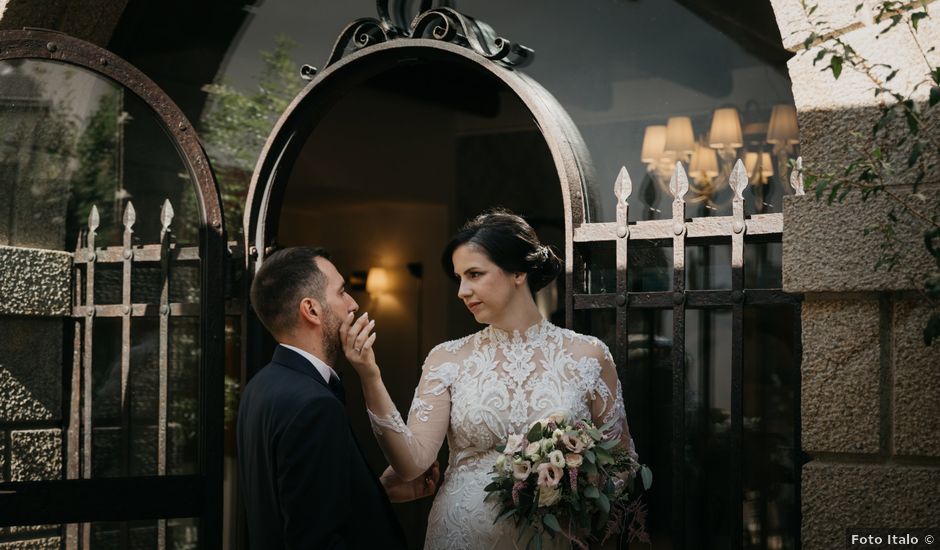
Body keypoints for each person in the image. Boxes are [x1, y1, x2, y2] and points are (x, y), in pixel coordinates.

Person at [342, 209, 638, 549]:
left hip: (549, 539)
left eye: (474, 274)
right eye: (459, 278)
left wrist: (574, 487)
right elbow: (411, 464)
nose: (462, 291)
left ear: (517, 272)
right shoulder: (446, 360)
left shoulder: (589, 355)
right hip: (458, 536)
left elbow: (622, 461)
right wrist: (370, 375)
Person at [237, 246, 439, 549]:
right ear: (312, 310)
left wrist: (375, 491)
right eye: (342, 292)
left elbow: (298, 506)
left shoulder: (259, 387)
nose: (354, 304)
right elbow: (316, 539)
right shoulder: (314, 405)